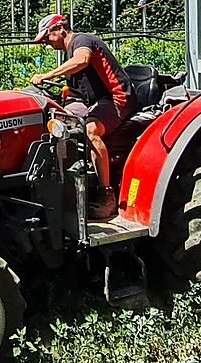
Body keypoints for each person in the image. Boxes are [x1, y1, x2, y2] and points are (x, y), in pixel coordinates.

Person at [29, 13, 131, 221]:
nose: (47, 44)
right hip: (95, 100)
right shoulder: (69, 51)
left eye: (47, 38)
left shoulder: (81, 41)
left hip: (115, 99)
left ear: (59, 29)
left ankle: (106, 195)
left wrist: (47, 75)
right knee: (59, 120)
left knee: (91, 130)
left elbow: (83, 60)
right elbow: (81, 85)